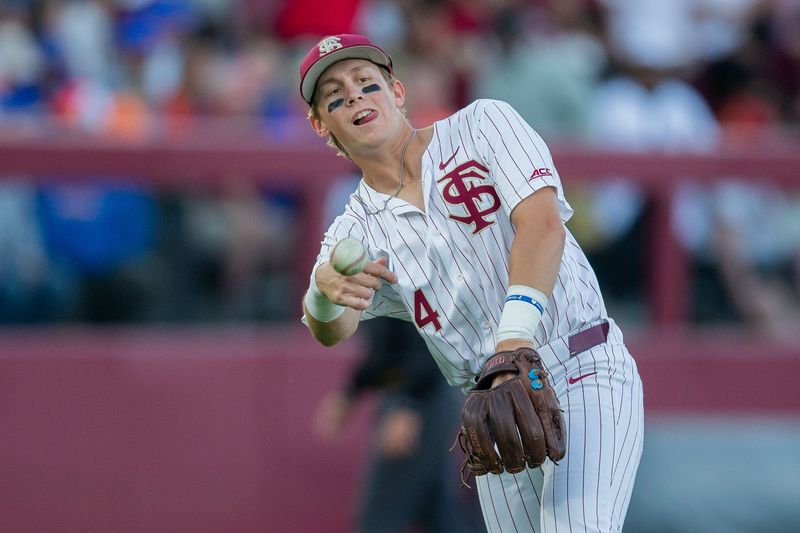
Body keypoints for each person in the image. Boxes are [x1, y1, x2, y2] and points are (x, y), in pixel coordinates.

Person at [299, 34, 644, 533]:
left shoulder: (482, 124)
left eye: (365, 82)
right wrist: (323, 295)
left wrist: (511, 346)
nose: (353, 95)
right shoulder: (354, 229)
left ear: (396, 92)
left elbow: (543, 225)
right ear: (320, 125)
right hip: (493, 406)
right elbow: (330, 328)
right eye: (334, 94)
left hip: (580, 365)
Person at [314, 317, 483, 533]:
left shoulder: (396, 282)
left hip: (421, 400)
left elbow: (428, 338)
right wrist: (351, 392)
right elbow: (385, 351)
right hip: (423, 397)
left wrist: (408, 403)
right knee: (440, 512)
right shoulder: (373, 291)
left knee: (381, 516)